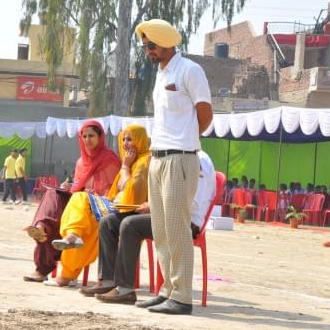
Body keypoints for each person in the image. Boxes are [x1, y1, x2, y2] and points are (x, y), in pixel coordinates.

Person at [135, 18, 213, 315]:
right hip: (158, 156)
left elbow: (205, 114)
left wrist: (187, 140)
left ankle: (182, 297)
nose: (148, 51)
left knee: (177, 227)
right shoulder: (160, 72)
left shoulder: (190, 70)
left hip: (180, 156)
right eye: (145, 46)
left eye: (152, 45)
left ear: (167, 41)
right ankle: (167, 289)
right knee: (161, 228)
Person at [93, 150, 215, 304]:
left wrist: (153, 207)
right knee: (109, 222)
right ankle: (107, 281)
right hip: (163, 213)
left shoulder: (196, 159)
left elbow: (192, 202)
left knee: (130, 225)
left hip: (186, 221)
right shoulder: (168, 156)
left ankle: (125, 289)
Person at [48, 124, 151, 288]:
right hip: (113, 207)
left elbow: (129, 189)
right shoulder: (132, 161)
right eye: (123, 139)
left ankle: (69, 268)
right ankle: (72, 242)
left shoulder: (143, 161)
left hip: (129, 210)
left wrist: (125, 167)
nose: (125, 144)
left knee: (81, 204)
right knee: (81, 216)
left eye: (130, 139)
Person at [22, 120, 120, 282]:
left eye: (91, 136)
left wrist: (84, 192)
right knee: (53, 194)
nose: (87, 140)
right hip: (78, 203)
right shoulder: (81, 162)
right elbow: (79, 186)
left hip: (97, 207)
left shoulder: (109, 159)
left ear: (100, 137)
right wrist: (71, 186)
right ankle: (41, 228)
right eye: (84, 136)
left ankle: (69, 241)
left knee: (76, 202)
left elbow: (110, 192)